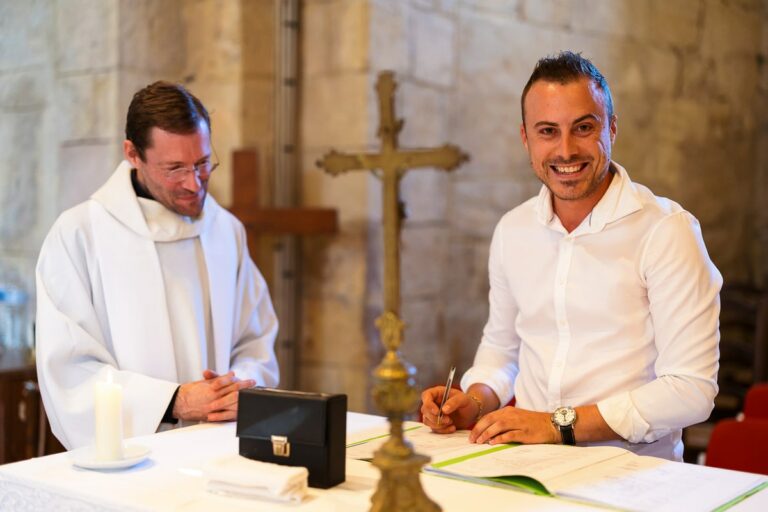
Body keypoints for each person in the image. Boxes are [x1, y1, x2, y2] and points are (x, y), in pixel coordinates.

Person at [420, 52, 722, 461]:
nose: (565, 150)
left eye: (583, 128)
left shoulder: (667, 231)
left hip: (634, 474)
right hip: (524, 463)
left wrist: (556, 424)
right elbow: (503, 350)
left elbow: (690, 389)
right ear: (526, 138)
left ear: (612, 128)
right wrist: (473, 403)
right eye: (547, 131)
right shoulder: (513, 229)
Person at [36, 81, 279, 450]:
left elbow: (255, 340)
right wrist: (174, 402)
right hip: (130, 464)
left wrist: (236, 388)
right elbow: (69, 371)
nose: (194, 183)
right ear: (133, 154)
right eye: (175, 168)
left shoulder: (224, 230)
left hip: (221, 449)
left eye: (202, 163)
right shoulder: (79, 236)